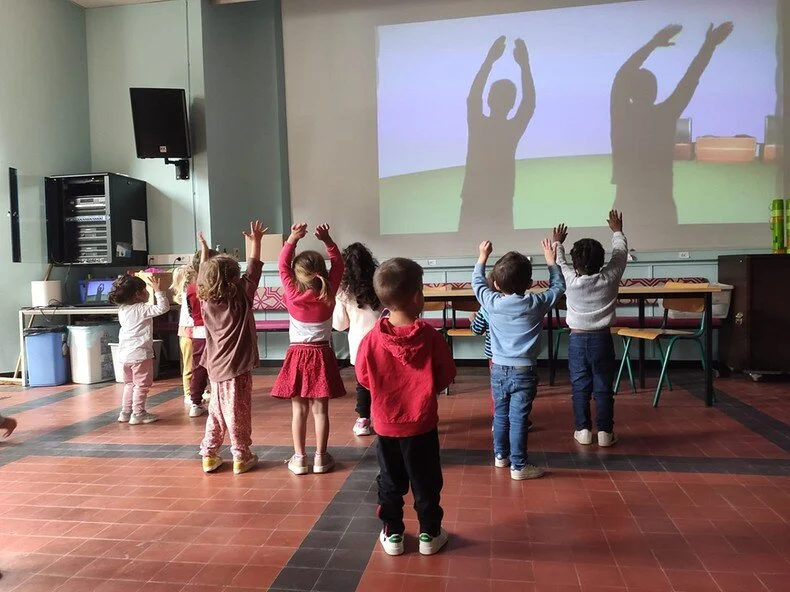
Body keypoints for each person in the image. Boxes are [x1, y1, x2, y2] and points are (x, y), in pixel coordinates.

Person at [356, 257, 456, 556]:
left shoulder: (371, 338)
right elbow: (446, 374)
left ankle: (393, 533)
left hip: (386, 425)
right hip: (422, 424)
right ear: (417, 297)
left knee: (390, 479)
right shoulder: (430, 336)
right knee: (426, 480)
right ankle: (429, 533)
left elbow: (363, 377)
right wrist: (425, 390)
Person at [610, 22, 733, 226]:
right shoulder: (664, 115)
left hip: (628, 203)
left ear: (630, 92)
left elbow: (621, 77)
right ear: (654, 92)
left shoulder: (621, 115)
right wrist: (709, 45)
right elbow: (691, 78)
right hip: (661, 202)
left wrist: (653, 44)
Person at [473, 239, 565, 480]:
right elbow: (558, 287)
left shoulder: (491, 302)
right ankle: (519, 466)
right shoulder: (536, 303)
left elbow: (476, 283)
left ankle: (500, 457)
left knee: (500, 415)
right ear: (530, 284)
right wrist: (551, 262)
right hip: (525, 370)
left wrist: (482, 257)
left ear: (495, 284)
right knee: (519, 419)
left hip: (498, 369)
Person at [272, 223, 346, 475]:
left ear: (297, 274)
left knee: (299, 410)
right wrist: (327, 239)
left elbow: (281, 265)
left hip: (297, 355)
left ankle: (300, 459)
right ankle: (321, 459)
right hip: (322, 354)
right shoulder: (329, 292)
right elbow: (339, 264)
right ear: (321, 272)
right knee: (320, 411)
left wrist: (293, 238)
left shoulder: (292, 294)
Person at [554, 210, 628, 447]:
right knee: (604, 387)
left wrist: (557, 242)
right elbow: (620, 254)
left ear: (575, 264)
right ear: (601, 262)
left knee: (580, 387)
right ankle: (605, 433)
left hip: (577, 341)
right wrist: (617, 231)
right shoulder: (610, 278)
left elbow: (559, 262)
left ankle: (583, 430)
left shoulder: (570, 281)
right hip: (602, 340)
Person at [198, 222, 266, 475]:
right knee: (238, 412)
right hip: (236, 367)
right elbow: (254, 270)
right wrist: (255, 241)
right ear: (235, 279)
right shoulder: (241, 297)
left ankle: (209, 454)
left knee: (216, 412)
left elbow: (203, 274)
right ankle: (241, 456)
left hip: (215, 367)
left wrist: (205, 251)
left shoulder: (205, 299)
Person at [459, 35, 535, 234]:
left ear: (489, 99)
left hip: (480, 199)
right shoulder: (510, 129)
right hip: (492, 199)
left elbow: (474, 96)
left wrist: (489, 61)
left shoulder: (478, 123)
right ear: (512, 104)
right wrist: (525, 66)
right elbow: (529, 103)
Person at [332, 242, 383, 437]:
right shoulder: (380, 284)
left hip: (359, 345)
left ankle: (363, 420)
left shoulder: (345, 293)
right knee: (384, 380)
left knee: (363, 383)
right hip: (383, 341)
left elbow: (339, 325)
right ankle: (385, 415)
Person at [109, 274, 170, 425]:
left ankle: (125, 412)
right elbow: (163, 308)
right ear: (138, 294)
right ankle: (138, 413)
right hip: (140, 354)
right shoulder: (141, 309)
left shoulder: (122, 309)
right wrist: (159, 291)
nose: (148, 292)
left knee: (129, 384)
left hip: (124, 354)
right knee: (142, 385)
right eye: (145, 289)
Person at [470, 304, 533, 433]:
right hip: (521, 357)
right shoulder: (527, 304)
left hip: (496, 357)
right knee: (519, 392)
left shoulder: (488, 306)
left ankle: (498, 421)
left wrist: (472, 319)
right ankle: (519, 421)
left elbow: (477, 329)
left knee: (498, 392)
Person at [185, 246, 218, 418]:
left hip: (198, 331)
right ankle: (218, 400)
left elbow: (191, 311)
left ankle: (195, 402)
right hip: (215, 332)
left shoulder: (191, 288)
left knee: (198, 368)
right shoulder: (214, 287)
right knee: (217, 367)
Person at [172, 265, 197, 407]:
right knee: (189, 365)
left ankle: (196, 390)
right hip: (188, 332)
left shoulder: (189, 292)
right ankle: (188, 393)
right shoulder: (185, 293)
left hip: (195, 331)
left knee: (197, 364)